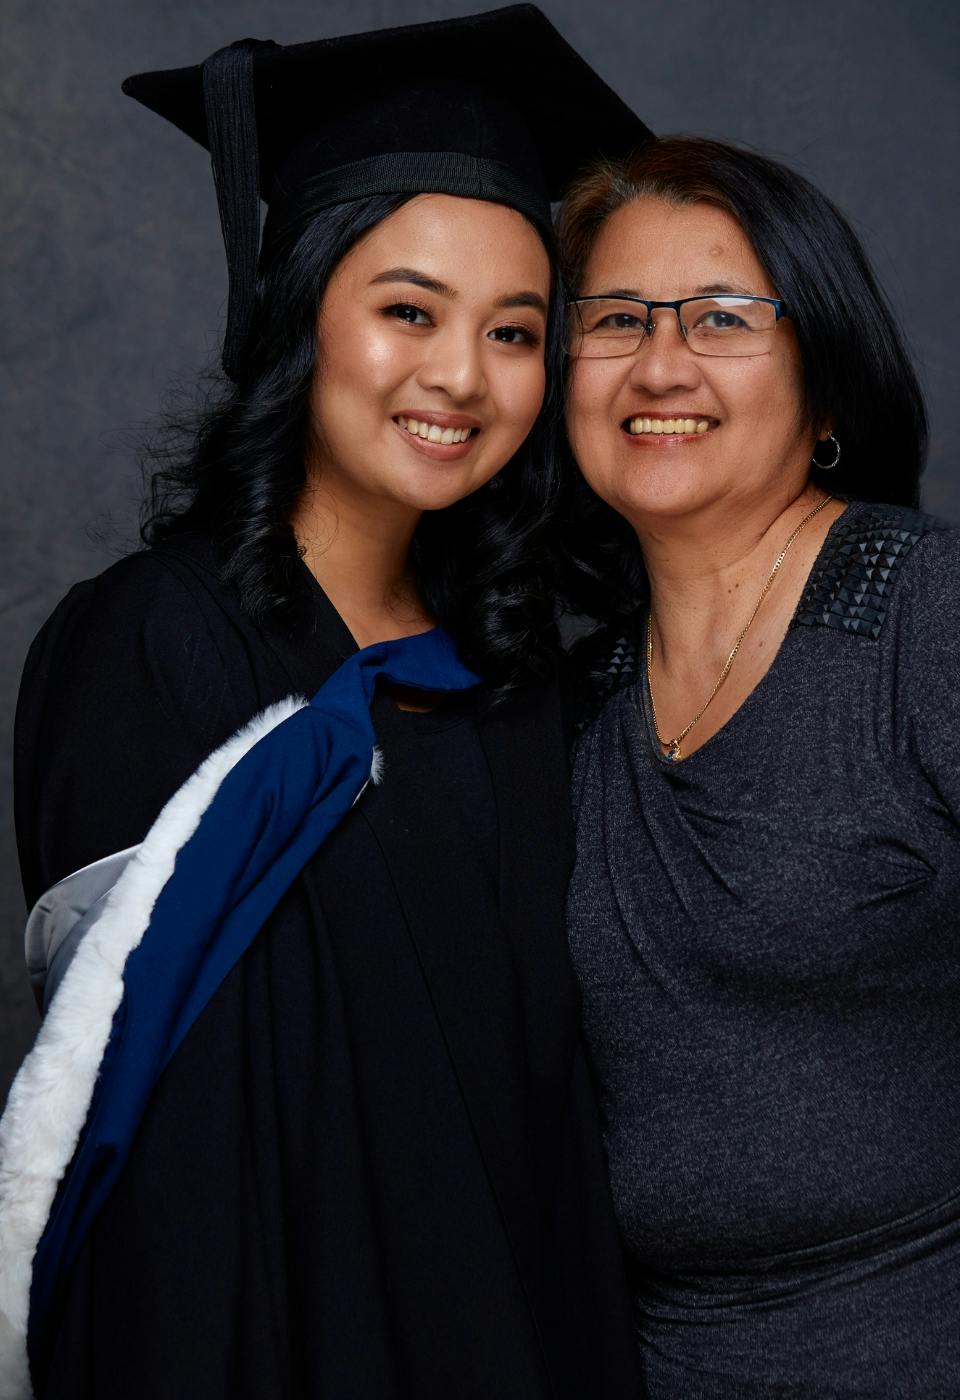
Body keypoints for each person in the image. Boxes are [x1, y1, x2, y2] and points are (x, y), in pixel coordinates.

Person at [2, 9, 652, 1396]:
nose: (462, 379)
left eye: (516, 331)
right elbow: (146, 1155)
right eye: (407, 310)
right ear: (299, 307)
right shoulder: (150, 649)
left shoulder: (520, 684)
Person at [555, 136, 960, 1397]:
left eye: (722, 318)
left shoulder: (936, 613)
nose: (660, 363)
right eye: (616, 319)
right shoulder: (572, 704)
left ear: (827, 385)